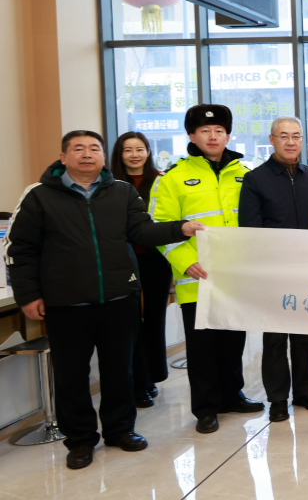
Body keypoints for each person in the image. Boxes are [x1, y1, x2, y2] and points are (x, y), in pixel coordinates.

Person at [6, 131, 202, 469]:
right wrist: (28, 294)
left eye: (94, 148)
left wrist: (179, 228)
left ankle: (120, 430)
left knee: (119, 370)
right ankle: (80, 440)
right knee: (71, 376)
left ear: (102, 155)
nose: (87, 154)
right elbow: (19, 249)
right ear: (63, 157)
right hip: (65, 303)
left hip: (119, 297)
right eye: (78, 148)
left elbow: (141, 230)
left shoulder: (122, 191)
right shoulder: (39, 195)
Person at [149, 105, 264, 435]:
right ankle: (206, 407)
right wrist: (185, 261)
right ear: (192, 135)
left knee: (233, 341)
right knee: (202, 348)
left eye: (219, 131)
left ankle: (232, 395)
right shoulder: (172, 178)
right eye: (205, 131)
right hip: (196, 277)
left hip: (236, 277)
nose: (213, 136)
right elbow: (158, 226)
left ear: (228, 135)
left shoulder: (246, 174)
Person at [237, 116, 308, 422]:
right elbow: (250, 230)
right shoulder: (255, 179)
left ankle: (304, 391)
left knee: (305, 337)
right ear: (272, 140)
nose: (291, 142)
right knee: (275, 338)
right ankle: (277, 399)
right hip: (273, 272)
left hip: (307, 270)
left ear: (302, 140)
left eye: (296, 136)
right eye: (284, 136)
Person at [109, 132, 170, 409]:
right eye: (127, 150)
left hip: (156, 259)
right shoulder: (109, 184)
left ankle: (152, 377)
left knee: (154, 319)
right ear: (119, 154)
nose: (134, 155)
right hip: (122, 261)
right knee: (129, 322)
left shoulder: (162, 180)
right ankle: (138, 383)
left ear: (148, 152)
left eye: (140, 149)